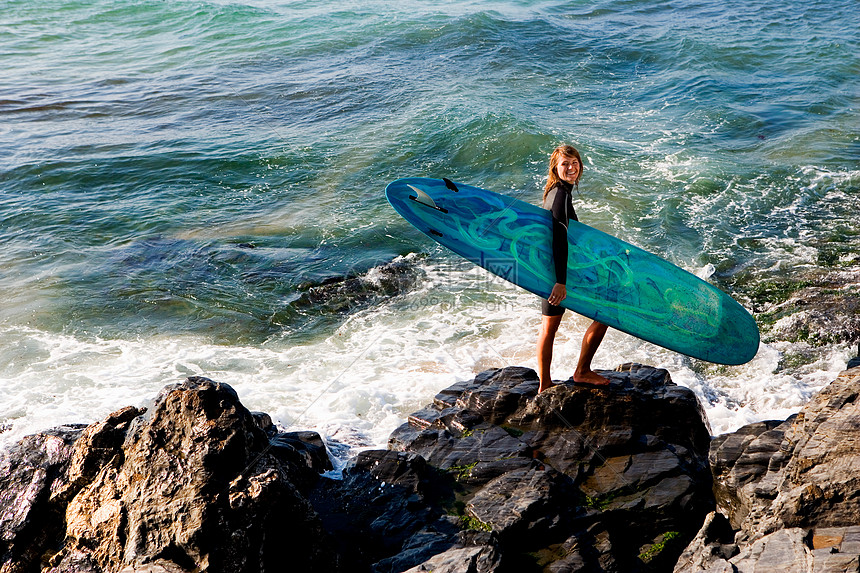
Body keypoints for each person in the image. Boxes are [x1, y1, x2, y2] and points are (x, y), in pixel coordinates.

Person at [536, 144, 609, 392]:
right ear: (556, 168)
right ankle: (581, 371)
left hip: (552, 271)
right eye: (565, 164)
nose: (571, 168)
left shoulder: (555, 192)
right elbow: (558, 237)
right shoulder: (560, 194)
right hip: (559, 274)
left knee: (549, 327)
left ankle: (546, 383)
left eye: (574, 162)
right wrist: (561, 282)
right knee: (604, 313)